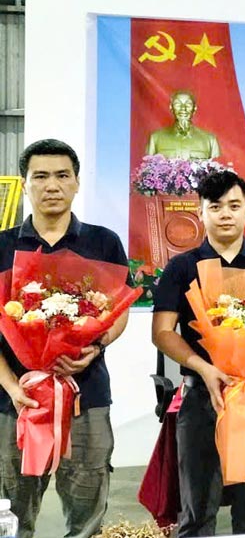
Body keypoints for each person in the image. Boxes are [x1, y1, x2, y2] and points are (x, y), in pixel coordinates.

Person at [0, 139, 129, 538]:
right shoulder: (3, 245)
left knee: (88, 511)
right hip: (14, 403)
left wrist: (94, 348)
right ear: (26, 184)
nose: (51, 185)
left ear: (76, 184)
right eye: (40, 176)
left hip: (85, 398)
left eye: (62, 176)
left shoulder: (102, 242)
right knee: (12, 514)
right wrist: (9, 384)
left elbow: (118, 313)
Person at [151, 170, 245, 537]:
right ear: (201, 212)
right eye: (215, 207)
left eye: (233, 205)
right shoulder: (182, 267)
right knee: (197, 507)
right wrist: (204, 369)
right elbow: (162, 333)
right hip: (201, 396)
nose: (225, 214)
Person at [146, 90, 221, 160]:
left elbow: (219, 171)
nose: (183, 108)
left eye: (188, 104)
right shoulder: (155, 138)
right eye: (178, 104)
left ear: (194, 109)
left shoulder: (210, 140)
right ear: (171, 108)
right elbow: (147, 170)